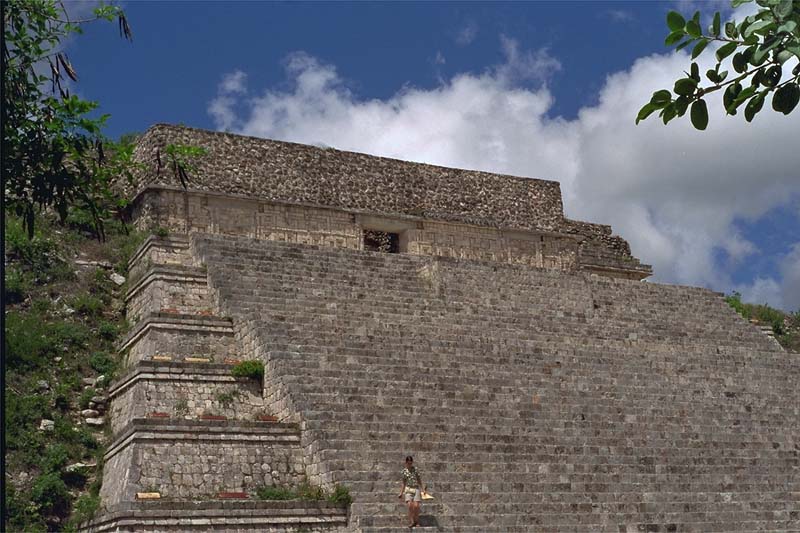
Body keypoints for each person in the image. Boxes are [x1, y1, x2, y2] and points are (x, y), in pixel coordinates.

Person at [398, 455, 426, 528]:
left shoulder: (415, 469)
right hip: (408, 489)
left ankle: (416, 521)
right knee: (410, 505)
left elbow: (419, 479)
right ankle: (412, 521)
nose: (410, 464)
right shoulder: (404, 471)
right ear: (406, 463)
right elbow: (403, 483)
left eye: (411, 463)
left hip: (416, 488)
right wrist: (401, 492)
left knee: (416, 506)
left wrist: (423, 489)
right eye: (408, 463)